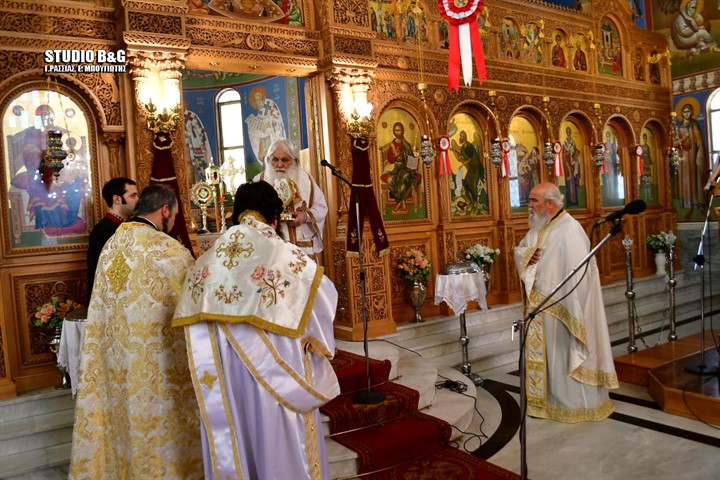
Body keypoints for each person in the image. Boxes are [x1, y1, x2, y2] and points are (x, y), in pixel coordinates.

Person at [172, 181, 340, 479]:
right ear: (274, 217)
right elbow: (324, 297)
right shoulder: (285, 256)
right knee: (277, 440)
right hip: (279, 377)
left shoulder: (207, 261)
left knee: (240, 438)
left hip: (227, 379)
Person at [70, 184, 202, 479]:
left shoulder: (111, 246)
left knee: (121, 423)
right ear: (165, 210)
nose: (173, 222)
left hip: (115, 362)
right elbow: (195, 302)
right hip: (155, 368)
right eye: (174, 216)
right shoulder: (167, 250)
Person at [514, 182, 618, 422]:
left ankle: (573, 406)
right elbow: (522, 249)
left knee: (562, 357)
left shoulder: (570, 230)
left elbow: (579, 275)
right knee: (550, 360)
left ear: (550, 203)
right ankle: (545, 403)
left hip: (562, 307)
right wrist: (526, 255)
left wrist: (570, 307)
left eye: (534, 200)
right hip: (540, 307)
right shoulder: (540, 226)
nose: (529, 205)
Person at [253, 138, 327, 258]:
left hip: (302, 248)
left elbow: (321, 207)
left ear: (294, 160)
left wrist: (305, 216)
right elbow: (248, 214)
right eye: (275, 159)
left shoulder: (306, 180)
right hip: (271, 248)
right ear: (268, 160)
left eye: (285, 160)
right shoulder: (259, 182)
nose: (279, 164)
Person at [86, 177, 138, 303]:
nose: (138, 200)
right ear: (117, 199)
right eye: (133, 196)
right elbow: (99, 273)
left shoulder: (133, 225)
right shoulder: (102, 231)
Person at [674, 103, 707, 219]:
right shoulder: (678, 127)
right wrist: (683, 138)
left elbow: (699, 142)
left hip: (693, 156)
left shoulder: (694, 124)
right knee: (685, 182)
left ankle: (699, 206)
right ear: (681, 113)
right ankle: (688, 207)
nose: (686, 114)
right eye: (684, 112)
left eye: (688, 111)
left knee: (695, 180)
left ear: (692, 112)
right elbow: (674, 143)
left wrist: (700, 155)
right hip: (683, 158)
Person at [380, 121, 421, 209]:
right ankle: (401, 201)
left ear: (402, 131)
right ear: (393, 131)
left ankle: (400, 202)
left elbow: (411, 159)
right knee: (390, 180)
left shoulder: (406, 145)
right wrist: (395, 155)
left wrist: (412, 168)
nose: (397, 132)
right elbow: (390, 161)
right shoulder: (392, 145)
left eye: (399, 130)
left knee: (406, 177)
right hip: (397, 170)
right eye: (396, 130)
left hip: (406, 169)